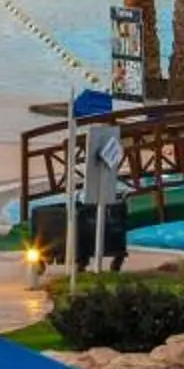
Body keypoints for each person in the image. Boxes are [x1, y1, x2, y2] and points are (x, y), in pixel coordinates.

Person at [70, 89, 127, 273]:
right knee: (91, 208)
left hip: (101, 188)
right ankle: (88, 257)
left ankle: (84, 259)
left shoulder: (102, 138)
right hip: (99, 187)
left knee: (90, 208)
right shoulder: (104, 137)